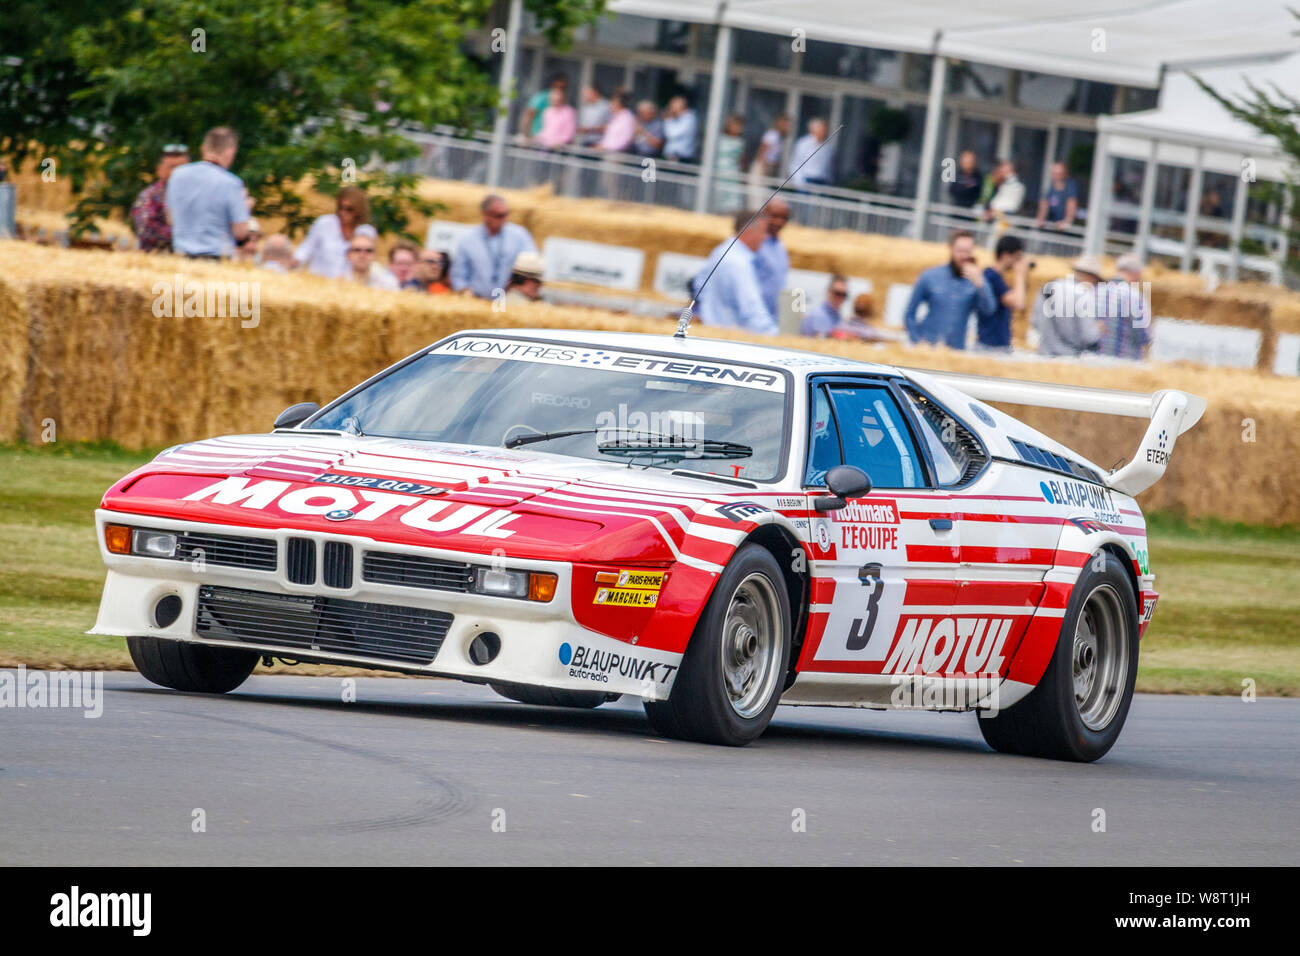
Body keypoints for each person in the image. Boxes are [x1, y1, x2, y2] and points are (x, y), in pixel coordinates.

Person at [165, 127, 251, 259]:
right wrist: (245, 209)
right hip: (215, 260)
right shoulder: (231, 183)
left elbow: (170, 219)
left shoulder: (177, 175)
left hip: (180, 257)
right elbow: (240, 232)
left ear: (203, 148)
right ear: (230, 152)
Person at [903, 229, 997, 350]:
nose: (963, 256)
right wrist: (917, 340)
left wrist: (981, 284)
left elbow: (989, 311)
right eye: (960, 251)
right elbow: (909, 313)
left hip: (956, 350)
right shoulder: (930, 276)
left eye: (967, 251)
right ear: (951, 248)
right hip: (928, 346)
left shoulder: (977, 280)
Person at [691, 209, 777, 335]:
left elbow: (698, 285)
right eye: (763, 232)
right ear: (749, 231)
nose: (765, 237)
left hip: (711, 331)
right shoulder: (739, 263)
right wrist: (773, 336)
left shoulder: (720, 251)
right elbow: (752, 309)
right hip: (728, 337)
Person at [450, 194, 537, 299]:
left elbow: (533, 267)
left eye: (507, 214)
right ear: (486, 215)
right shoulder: (468, 240)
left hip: (510, 299)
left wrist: (521, 287)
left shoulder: (520, 236)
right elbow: (458, 275)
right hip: (477, 299)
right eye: (500, 215)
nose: (505, 219)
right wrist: (466, 292)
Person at [293, 187, 378, 278]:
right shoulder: (324, 223)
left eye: (349, 209)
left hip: (348, 286)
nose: (343, 212)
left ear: (359, 210)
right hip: (319, 281)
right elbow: (305, 250)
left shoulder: (367, 231)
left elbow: (369, 262)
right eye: (341, 207)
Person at [1032, 255, 1104, 357]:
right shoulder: (1084, 295)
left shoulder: (1048, 286)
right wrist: (1098, 329)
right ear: (1091, 277)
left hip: (1043, 353)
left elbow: (1035, 322)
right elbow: (1089, 336)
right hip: (1069, 358)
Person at [130, 143, 189, 252]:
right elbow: (146, 232)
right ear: (159, 170)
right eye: (172, 167)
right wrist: (183, 232)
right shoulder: (149, 196)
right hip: (157, 261)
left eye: (182, 168)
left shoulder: (192, 195)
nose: (178, 172)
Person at [978, 234, 1031, 350]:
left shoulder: (997, 277)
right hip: (990, 345)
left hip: (997, 344)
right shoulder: (991, 276)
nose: (1017, 262)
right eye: (1017, 257)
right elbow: (1018, 303)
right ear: (1005, 255)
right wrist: (1020, 275)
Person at [1097, 253, 1152, 360]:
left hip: (1094, 360)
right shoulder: (1135, 297)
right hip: (1124, 362)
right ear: (1136, 274)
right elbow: (1144, 337)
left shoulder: (1095, 291)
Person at [754, 198, 790, 316]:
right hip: (754, 314)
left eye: (784, 218)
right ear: (763, 215)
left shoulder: (781, 248)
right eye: (774, 216)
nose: (779, 222)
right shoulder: (754, 244)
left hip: (772, 316)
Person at [748, 114, 791, 207]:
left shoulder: (780, 138)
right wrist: (762, 170)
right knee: (757, 195)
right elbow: (762, 153)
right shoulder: (772, 135)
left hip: (768, 169)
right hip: (762, 168)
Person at [713, 115, 747, 213]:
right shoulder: (720, 139)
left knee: (732, 204)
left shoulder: (740, 142)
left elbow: (742, 161)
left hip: (732, 175)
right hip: (719, 173)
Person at [788, 118, 833, 188]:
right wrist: (799, 181)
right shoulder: (803, 143)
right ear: (813, 130)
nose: (824, 131)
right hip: (806, 179)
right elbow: (796, 163)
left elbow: (829, 167)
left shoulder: (828, 147)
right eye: (821, 129)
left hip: (822, 181)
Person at [521, 74, 568, 139]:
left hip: (552, 140)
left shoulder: (562, 99)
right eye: (562, 82)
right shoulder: (541, 97)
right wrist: (525, 134)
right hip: (536, 135)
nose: (564, 85)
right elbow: (529, 115)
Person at [1036, 162, 1079, 230]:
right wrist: (1041, 218)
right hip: (1051, 225)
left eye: (1059, 174)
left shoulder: (1070, 186)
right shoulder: (1051, 186)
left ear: (1065, 174)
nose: (1056, 176)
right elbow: (1044, 204)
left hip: (1064, 229)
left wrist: (1067, 221)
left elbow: (1071, 205)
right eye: (1054, 173)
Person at [662, 95, 698, 163]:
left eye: (672, 105)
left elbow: (672, 134)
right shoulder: (678, 118)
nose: (670, 108)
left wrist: (668, 119)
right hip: (672, 156)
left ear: (681, 106)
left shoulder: (689, 118)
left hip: (680, 157)